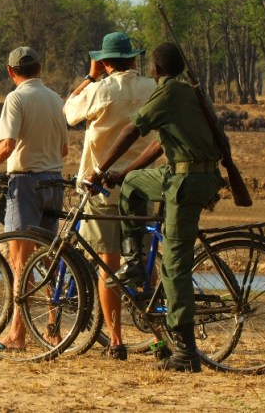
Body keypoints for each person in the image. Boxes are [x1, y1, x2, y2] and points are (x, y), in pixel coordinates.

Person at [90, 42, 225, 373]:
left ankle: (186, 352)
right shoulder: (190, 91)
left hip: (186, 183)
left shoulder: (166, 94)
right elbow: (158, 143)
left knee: (175, 267)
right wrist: (123, 172)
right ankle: (135, 261)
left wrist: (100, 167)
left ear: (156, 68)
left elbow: (132, 129)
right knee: (133, 185)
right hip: (188, 174)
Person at [0, 46, 69, 351]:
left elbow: (7, 146)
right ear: (40, 68)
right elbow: (63, 151)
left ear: (11, 72)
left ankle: (17, 334)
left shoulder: (16, 98)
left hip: (26, 184)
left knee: (19, 261)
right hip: (54, 182)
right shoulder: (55, 99)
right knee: (48, 258)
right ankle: (53, 331)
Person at [64, 32, 156, 361]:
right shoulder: (150, 88)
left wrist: (90, 77)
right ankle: (159, 331)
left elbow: (68, 111)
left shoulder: (100, 90)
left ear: (105, 63)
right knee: (145, 260)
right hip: (142, 184)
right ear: (134, 59)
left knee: (108, 264)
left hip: (103, 189)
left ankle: (115, 340)